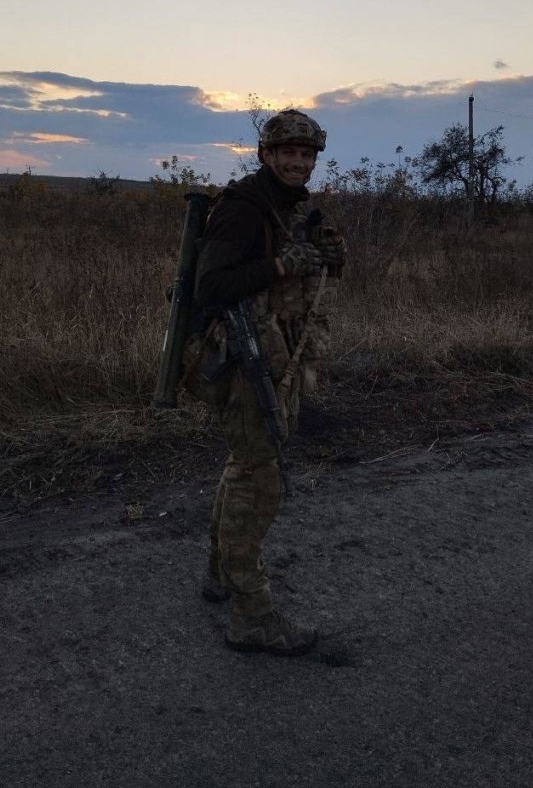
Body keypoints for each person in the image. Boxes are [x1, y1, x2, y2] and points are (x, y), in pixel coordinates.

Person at [191, 109, 346, 655]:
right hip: (242, 363)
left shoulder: (293, 208)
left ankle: (219, 573)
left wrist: (326, 257)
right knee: (261, 479)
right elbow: (210, 288)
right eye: (288, 153)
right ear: (267, 155)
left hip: (273, 358)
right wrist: (280, 266)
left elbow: (306, 270)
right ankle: (251, 614)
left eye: (306, 155)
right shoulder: (243, 210)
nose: (298, 162)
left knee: (246, 466)